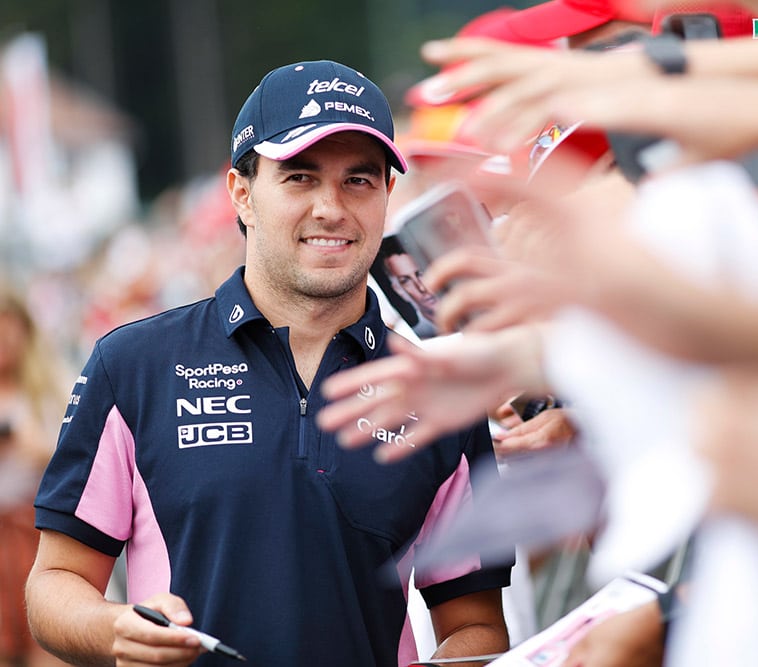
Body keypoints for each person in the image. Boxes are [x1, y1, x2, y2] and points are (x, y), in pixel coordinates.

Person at [26, 59, 511, 667]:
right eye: (301, 178)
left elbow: (476, 626)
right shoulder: (132, 365)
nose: (331, 208)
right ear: (242, 194)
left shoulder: (440, 394)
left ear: (388, 195)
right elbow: (54, 583)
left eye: (358, 180)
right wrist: (112, 628)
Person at [0, 283, 70, 667]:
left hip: (37, 527)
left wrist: (36, 448)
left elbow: (76, 459)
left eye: (10, 330)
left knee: (47, 646)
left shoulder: (48, 388)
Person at [378, 235, 439, 338]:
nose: (421, 288)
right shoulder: (415, 335)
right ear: (398, 290)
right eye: (406, 281)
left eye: (420, 273)